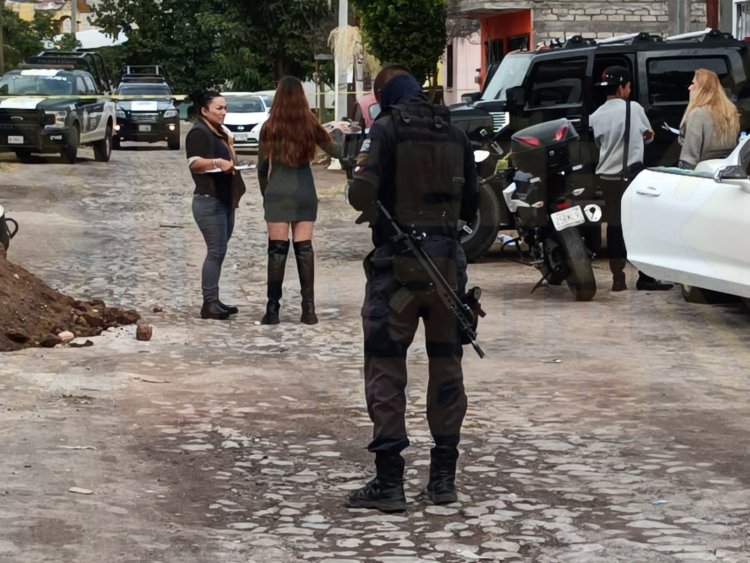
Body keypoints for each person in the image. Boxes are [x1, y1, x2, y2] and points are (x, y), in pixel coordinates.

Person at [345, 65, 479, 512]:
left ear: (384, 96)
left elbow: (361, 193)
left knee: (386, 368)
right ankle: (443, 480)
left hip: (397, 268)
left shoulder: (384, 130)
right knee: (446, 369)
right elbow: (476, 203)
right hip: (446, 268)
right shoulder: (455, 134)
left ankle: (390, 483)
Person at [257, 76, 334, 325]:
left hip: (277, 193)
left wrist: (266, 194)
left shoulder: (269, 127)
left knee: (277, 251)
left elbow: (261, 168)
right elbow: (338, 151)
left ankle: (272, 309)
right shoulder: (310, 125)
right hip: (304, 192)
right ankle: (308, 310)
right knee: (304, 250)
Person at [590, 66, 673, 292]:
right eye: (628, 86)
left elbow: (598, 144)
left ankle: (618, 278)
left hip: (607, 177)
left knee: (615, 226)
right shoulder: (634, 109)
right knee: (640, 226)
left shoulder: (595, 116)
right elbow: (648, 137)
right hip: (630, 177)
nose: (630, 90)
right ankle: (645, 277)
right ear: (622, 87)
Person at [186, 90, 246, 320]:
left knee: (220, 251)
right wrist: (217, 162)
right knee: (216, 251)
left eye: (225, 108)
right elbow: (193, 163)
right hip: (208, 201)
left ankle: (214, 299)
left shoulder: (220, 132)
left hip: (224, 199)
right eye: (218, 108)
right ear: (204, 110)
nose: (223, 112)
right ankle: (209, 302)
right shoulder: (199, 132)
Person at [678, 68, 740, 169]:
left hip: (702, 173)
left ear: (702, 89)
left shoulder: (697, 114)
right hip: (727, 171)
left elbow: (689, 158)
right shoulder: (730, 112)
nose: (689, 87)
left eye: (693, 83)